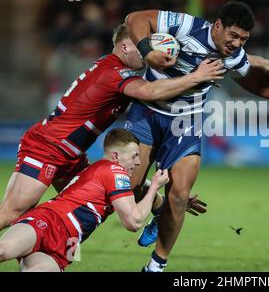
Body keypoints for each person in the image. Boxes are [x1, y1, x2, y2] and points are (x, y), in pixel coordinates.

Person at [124, 1, 269, 272]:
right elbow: (135, 17)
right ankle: (157, 205)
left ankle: (156, 265)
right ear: (217, 26)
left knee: (180, 192)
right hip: (148, 112)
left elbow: (256, 83)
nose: (236, 43)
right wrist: (148, 51)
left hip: (186, 122)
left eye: (243, 39)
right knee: (129, 186)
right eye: (233, 36)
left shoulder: (234, 55)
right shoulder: (186, 25)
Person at [0, 23, 224, 231]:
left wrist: (173, 200)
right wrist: (197, 76)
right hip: (48, 147)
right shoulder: (113, 72)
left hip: (70, 154)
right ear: (125, 46)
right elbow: (151, 92)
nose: (147, 54)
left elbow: (120, 185)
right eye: (142, 47)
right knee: (12, 213)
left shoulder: (114, 70)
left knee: (101, 199)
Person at [0, 129, 169, 272]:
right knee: (3, 250)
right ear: (116, 156)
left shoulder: (103, 170)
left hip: (68, 244)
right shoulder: (114, 170)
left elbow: (138, 186)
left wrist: (174, 199)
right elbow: (133, 222)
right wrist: (155, 186)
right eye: (134, 156)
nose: (138, 162)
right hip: (51, 221)